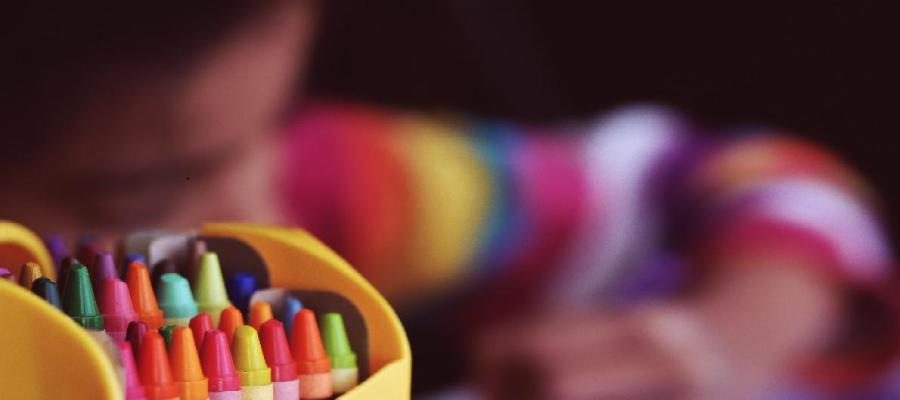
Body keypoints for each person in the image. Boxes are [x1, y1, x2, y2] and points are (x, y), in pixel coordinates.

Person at [2, 1, 896, 398]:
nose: (257, 210)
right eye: (135, 191)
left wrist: (717, 339)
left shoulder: (331, 187)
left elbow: (743, 179)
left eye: (278, 114)